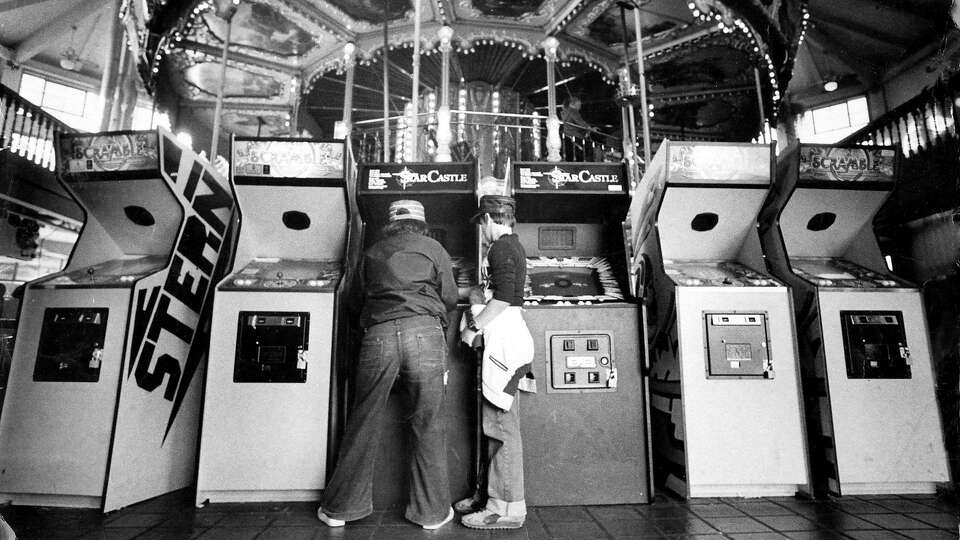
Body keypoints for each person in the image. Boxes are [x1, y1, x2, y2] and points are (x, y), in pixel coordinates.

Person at [317, 199, 457, 530]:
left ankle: (340, 510)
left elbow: (354, 300)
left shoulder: (372, 252)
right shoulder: (434, 248)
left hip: (378, 335)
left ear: (391, 224)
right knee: (428, 422)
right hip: (424, 333)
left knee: (363, 420)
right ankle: (432, 513)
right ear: (421, 223)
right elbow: (449, 297)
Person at [456, 195, 535, 530]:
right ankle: (489, 495)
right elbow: (500, 293)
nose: (482, 231)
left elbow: (501, 300)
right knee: (496, 427)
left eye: (482, 224)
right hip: (510, 340)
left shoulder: (499, 248)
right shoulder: (513, 246)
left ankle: (505, 509)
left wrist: (473, 327)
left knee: (501, 429)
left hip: (504, 345)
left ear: (489, 219)